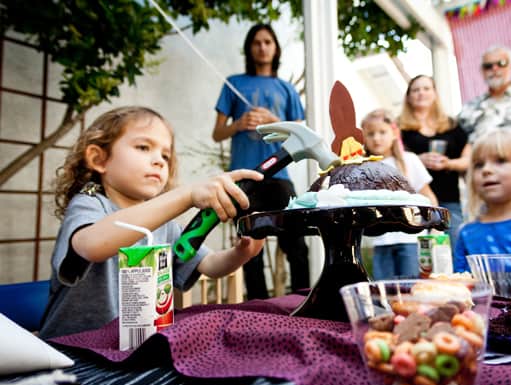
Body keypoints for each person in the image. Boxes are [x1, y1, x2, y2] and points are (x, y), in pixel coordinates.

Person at [39, 106, 264, 339]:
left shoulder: (164, 223)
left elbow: (210, 264)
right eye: (143, 147)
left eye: (165, 156)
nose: (159, 161)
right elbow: (93, 245)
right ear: (99, 159)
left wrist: (241, 253)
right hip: (73, 351)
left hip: (134, 348)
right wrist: (186, 196)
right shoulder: (89, 204)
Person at [212, 23, 309, 299]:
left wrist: (272, 121)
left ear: (275, 48)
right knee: (249, 248)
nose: (262, 47)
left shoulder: (286, 88)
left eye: (268, 42)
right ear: (249, 48)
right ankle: (258, 306)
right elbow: (217, 133)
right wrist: (239, 123)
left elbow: (300, 133)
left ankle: (303, 299)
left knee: (297, 244)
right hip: (242, 179)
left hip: (279, 178)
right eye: (257, 42)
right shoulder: (233, 83)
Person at [453, 128, 511, 278]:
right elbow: (461, 283)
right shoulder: (466, 232)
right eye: (478, 165)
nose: (486, 170)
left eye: (501, 161)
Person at [361, 109, 438, 279]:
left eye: (382, 132)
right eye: (371, 134)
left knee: (412, 289)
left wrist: (433, 228)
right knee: (384, 292)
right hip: (380, 242)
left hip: (411, 239)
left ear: (394, 133)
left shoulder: (409, 160)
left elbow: (428, 197)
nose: (376, 138)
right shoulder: (363, 168)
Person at [399, 75, 471, 248]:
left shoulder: (452, 125)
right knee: (419, 255)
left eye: (426, 88)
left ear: (435, 93)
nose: (421, 93)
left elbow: (469, 160)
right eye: (415, 90)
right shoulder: (399, 128)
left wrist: (448, 164)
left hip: (449, 200)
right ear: (408, 97)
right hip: (414, 202)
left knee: (452, 251)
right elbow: (393, 162)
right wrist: (417, 160)